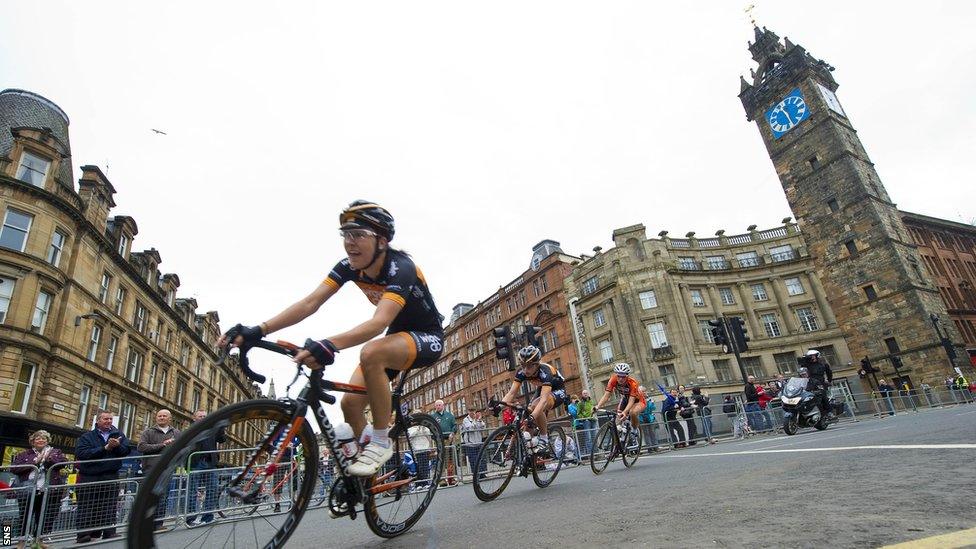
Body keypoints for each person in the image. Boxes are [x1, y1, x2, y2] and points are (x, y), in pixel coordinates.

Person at [219, 201, 444, 477]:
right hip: (395, 340)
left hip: (426, 336)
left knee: (371, 352)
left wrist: (330, 343)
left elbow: (379, 322)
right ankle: (367, 481)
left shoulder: (402, 267)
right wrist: (259, 329)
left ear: (382, 241)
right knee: (349, 404)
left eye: (358, 234)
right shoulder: (348, 267)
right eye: (346, 235)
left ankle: (381, 441)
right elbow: (309, 303)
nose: (350, 243)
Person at [74, 410, 131, 544]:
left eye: (110, 419)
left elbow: (126, 451)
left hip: (110, 474)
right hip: (89, 475)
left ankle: (109, 532)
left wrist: (116, 447)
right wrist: (105, 448)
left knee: (109, 505)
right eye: (105, 419)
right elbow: (82, 453)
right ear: (98, 421)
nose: (109, 421)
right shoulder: (87, 436)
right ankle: (83, 534)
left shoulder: (119, 435)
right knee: (87, 505)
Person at [500, 345, 568, 456]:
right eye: (523, 366)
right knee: (528, 412)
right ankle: (529, 454)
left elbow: (544, 400)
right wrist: (500, 406)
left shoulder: (545, 372)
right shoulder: (522, 372)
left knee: (536, 407)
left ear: (537, 365)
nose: (525, 370)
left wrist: (533, 416)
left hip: (557, 390)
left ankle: (544, 439)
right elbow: (511, 393)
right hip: (542, 388)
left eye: (529, 366)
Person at [11, 430, 66, 548]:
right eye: (37, 439)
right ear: (32, 441)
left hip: (47, 490)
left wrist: (48, 459)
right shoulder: (25, 454)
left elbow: (63, 463)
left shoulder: (55, 452)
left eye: (43, 438)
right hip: (27, 490)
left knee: (43, 516)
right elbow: (14, 468)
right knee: (24, 516)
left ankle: (39, 541)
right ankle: (21, 541)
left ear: (47, 441)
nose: (41, 440)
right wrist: (34, 461)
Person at [136, 409, 180, 531]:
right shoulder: (148, 432)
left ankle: (158, 523)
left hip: (167, 469)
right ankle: (145, 523)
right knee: (148, 496)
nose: (161, 418)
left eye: (164, 416)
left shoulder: (176, 433)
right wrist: (162, 445)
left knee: (163, 496)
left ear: (169, 418)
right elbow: (141, 447)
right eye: (159, 416)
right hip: (151, 469)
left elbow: (182, 448)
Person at [186, 410, 226, 524]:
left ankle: (207, 517)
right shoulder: (192, 429)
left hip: (210, 462)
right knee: (193, 491)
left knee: (212, 489)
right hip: (196, 462)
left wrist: (221, 427)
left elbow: (222, 440)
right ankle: (190, 519)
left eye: (205, 416)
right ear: (194, 418)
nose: (203, 418)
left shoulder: (212, 429)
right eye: (200, 416)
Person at [594, 363, 645, 445]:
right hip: (625, 399)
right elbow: (606, 395)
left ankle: (634, 430)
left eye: (623, 376)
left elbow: (631, 401)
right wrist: (597, 406)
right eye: (619, 376)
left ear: (627, 376)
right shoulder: (613, 379)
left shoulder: (633, 383)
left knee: (632, 412)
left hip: (638, 401)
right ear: (616, 375)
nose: (620, 378)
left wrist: (625, 412)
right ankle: (617, 443)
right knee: (617, 422)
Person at [431, 400, 458, 486]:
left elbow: (455, 425)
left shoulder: (449, 415)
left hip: (448, 440)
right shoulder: (433, 417)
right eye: (437, 405)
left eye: (439, 405)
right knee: (440, 460)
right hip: (439, 441)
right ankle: (442, 479)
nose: (438, 406)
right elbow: (431, 428)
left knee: (450, 460)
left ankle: (451, 478)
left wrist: (452, 433)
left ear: (443, 405)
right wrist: (435, 437)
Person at [803, 349, 834, 416]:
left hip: (820, 382)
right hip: (810, 383)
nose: (812, 357)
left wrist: (829, 381)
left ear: (817, 356)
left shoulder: (823, 364)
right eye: (810, 356)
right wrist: (804, 358)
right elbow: (801, 367)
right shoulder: (807, 364)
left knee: (823, 396)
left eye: (813, 355)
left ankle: (829, 412)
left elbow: (829, 372)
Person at [461, 409, 486, 481]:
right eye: (470, 411)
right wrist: (475, 420)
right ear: (468, 412)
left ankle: (482, 473)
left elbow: (483, 427)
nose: (472, 413)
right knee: (473, 460)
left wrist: (480, 420)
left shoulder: (477, 419)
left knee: (480, 458)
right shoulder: (465, 420)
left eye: (473, 411)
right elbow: (470, 428)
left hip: (478, 442)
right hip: (470, 444)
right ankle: (476, 475)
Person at [575, 390, 596, 458]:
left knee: (594, 436)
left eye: (586, 393)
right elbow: (578, 413)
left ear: (588, 394)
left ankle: (596, 453)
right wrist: (584, 418)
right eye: (584, 393)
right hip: (586, 421)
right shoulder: (580, 403)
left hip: (593, 420)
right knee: (588, 438)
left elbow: (594, 408)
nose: (585, 394)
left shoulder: (591, 401)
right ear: (582, 395)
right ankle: (590, 455)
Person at [636, 387, 659, 452]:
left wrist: (651, 403)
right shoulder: (637, 400)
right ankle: (650, 447)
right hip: (642, 418)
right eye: (643, 391)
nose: (644, 392)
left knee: (653, 432)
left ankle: (655, 446)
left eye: (644, 391)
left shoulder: (649, 399)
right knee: (646, 433)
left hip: (650, 418)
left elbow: (653, 408)